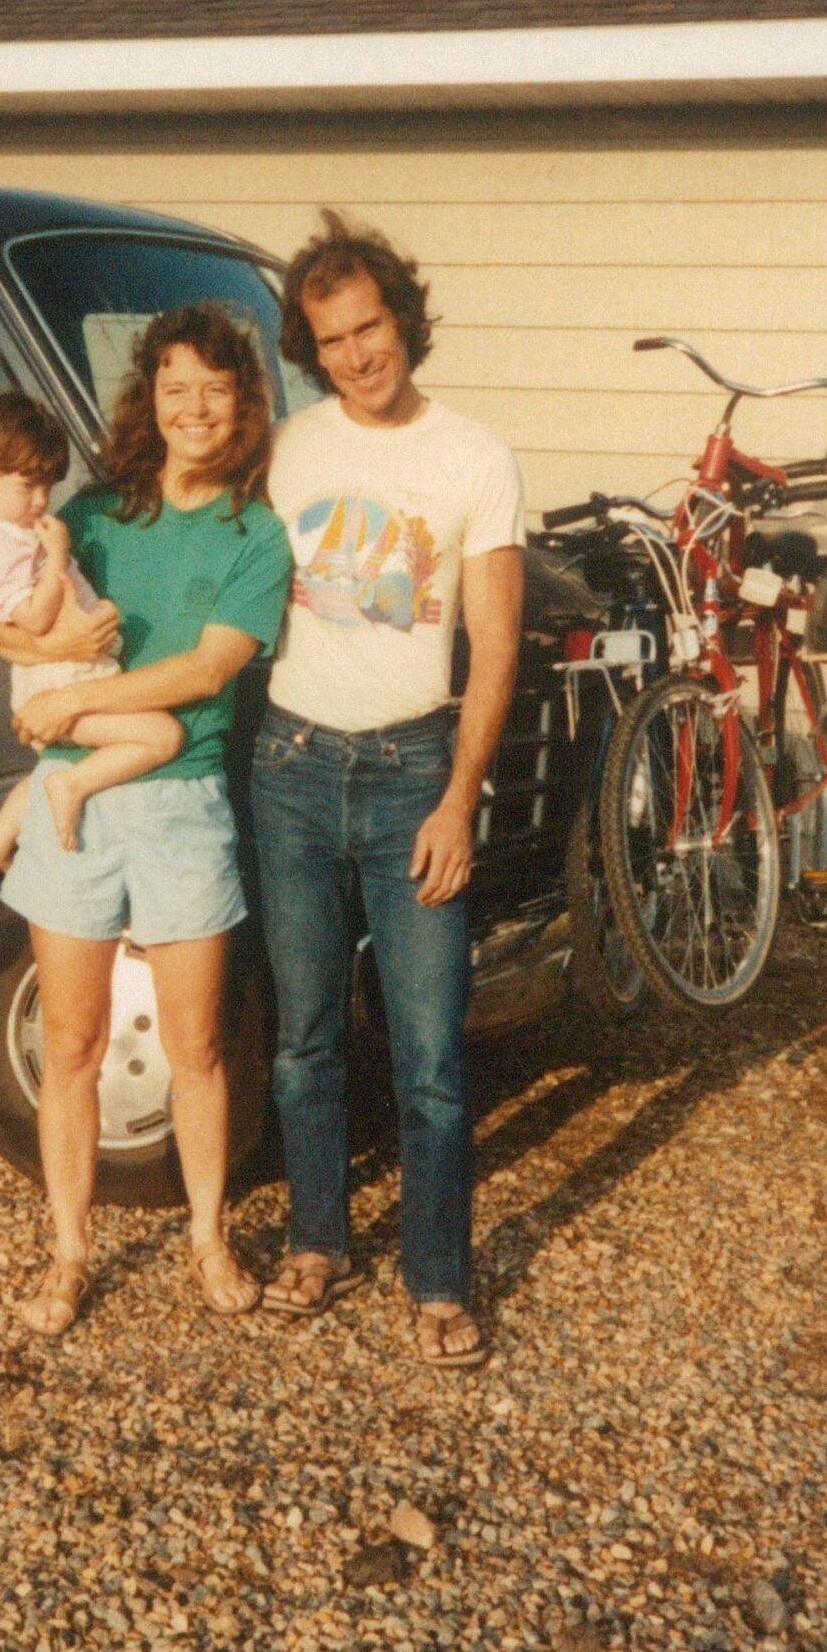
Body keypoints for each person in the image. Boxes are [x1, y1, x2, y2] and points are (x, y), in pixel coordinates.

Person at [0, 302, 292, 1337]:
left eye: (215, 387)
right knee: (69, 1042)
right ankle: (68, 1253)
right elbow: (7, 607)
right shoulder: (96, 514)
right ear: (147, 402)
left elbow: (208, 670)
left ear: (242, 403)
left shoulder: (256, 533)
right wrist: (21, 655)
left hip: (179, 804)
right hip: (77, 799)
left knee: (199, 1044)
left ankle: (206, 1235)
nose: (194, 407)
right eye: (174, 388)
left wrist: (69, 702)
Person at [255, 211, 524, 1369]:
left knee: (429, 1056)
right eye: (332, 338)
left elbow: (496, 645)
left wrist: (459, 796)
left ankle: (439, 1280)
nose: (358, 354)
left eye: (371, 327)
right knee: (304, 1038)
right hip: (294, 766)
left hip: (416, 767)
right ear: (309, 350)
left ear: (404, 322)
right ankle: (318, 1242)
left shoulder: (475, 457)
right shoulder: (286, 450)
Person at [0, 392, 182, 870]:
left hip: (70, 677)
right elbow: (32, 618)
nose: (41, 501)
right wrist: (58, 554)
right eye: (27, 486)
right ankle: (70, 788)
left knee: (55, 763)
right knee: (162, 736)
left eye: (47, 488)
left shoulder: (9, 532)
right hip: (60, 685)